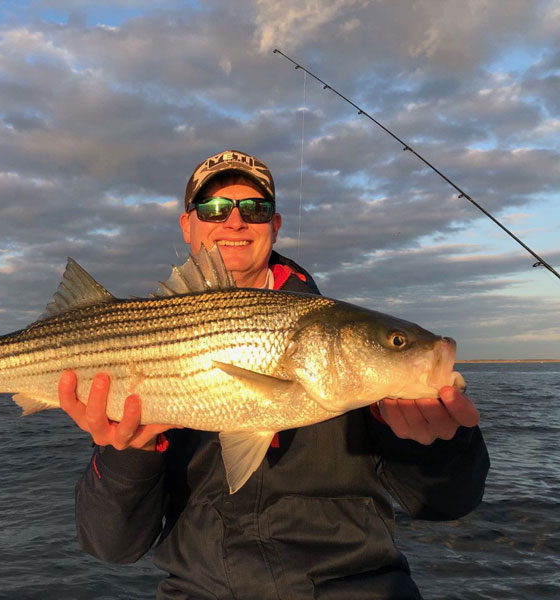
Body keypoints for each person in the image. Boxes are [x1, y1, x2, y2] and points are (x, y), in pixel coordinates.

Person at [57, 149, 489, 599]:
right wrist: (129, 453)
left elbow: (449, 503)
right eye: (214, 208)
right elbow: (111, 546)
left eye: (255, 209)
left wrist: (440, 443)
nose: (235, 221)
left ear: (274, 226)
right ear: (187, 226)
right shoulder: (135, 348)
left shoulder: (361, 375)